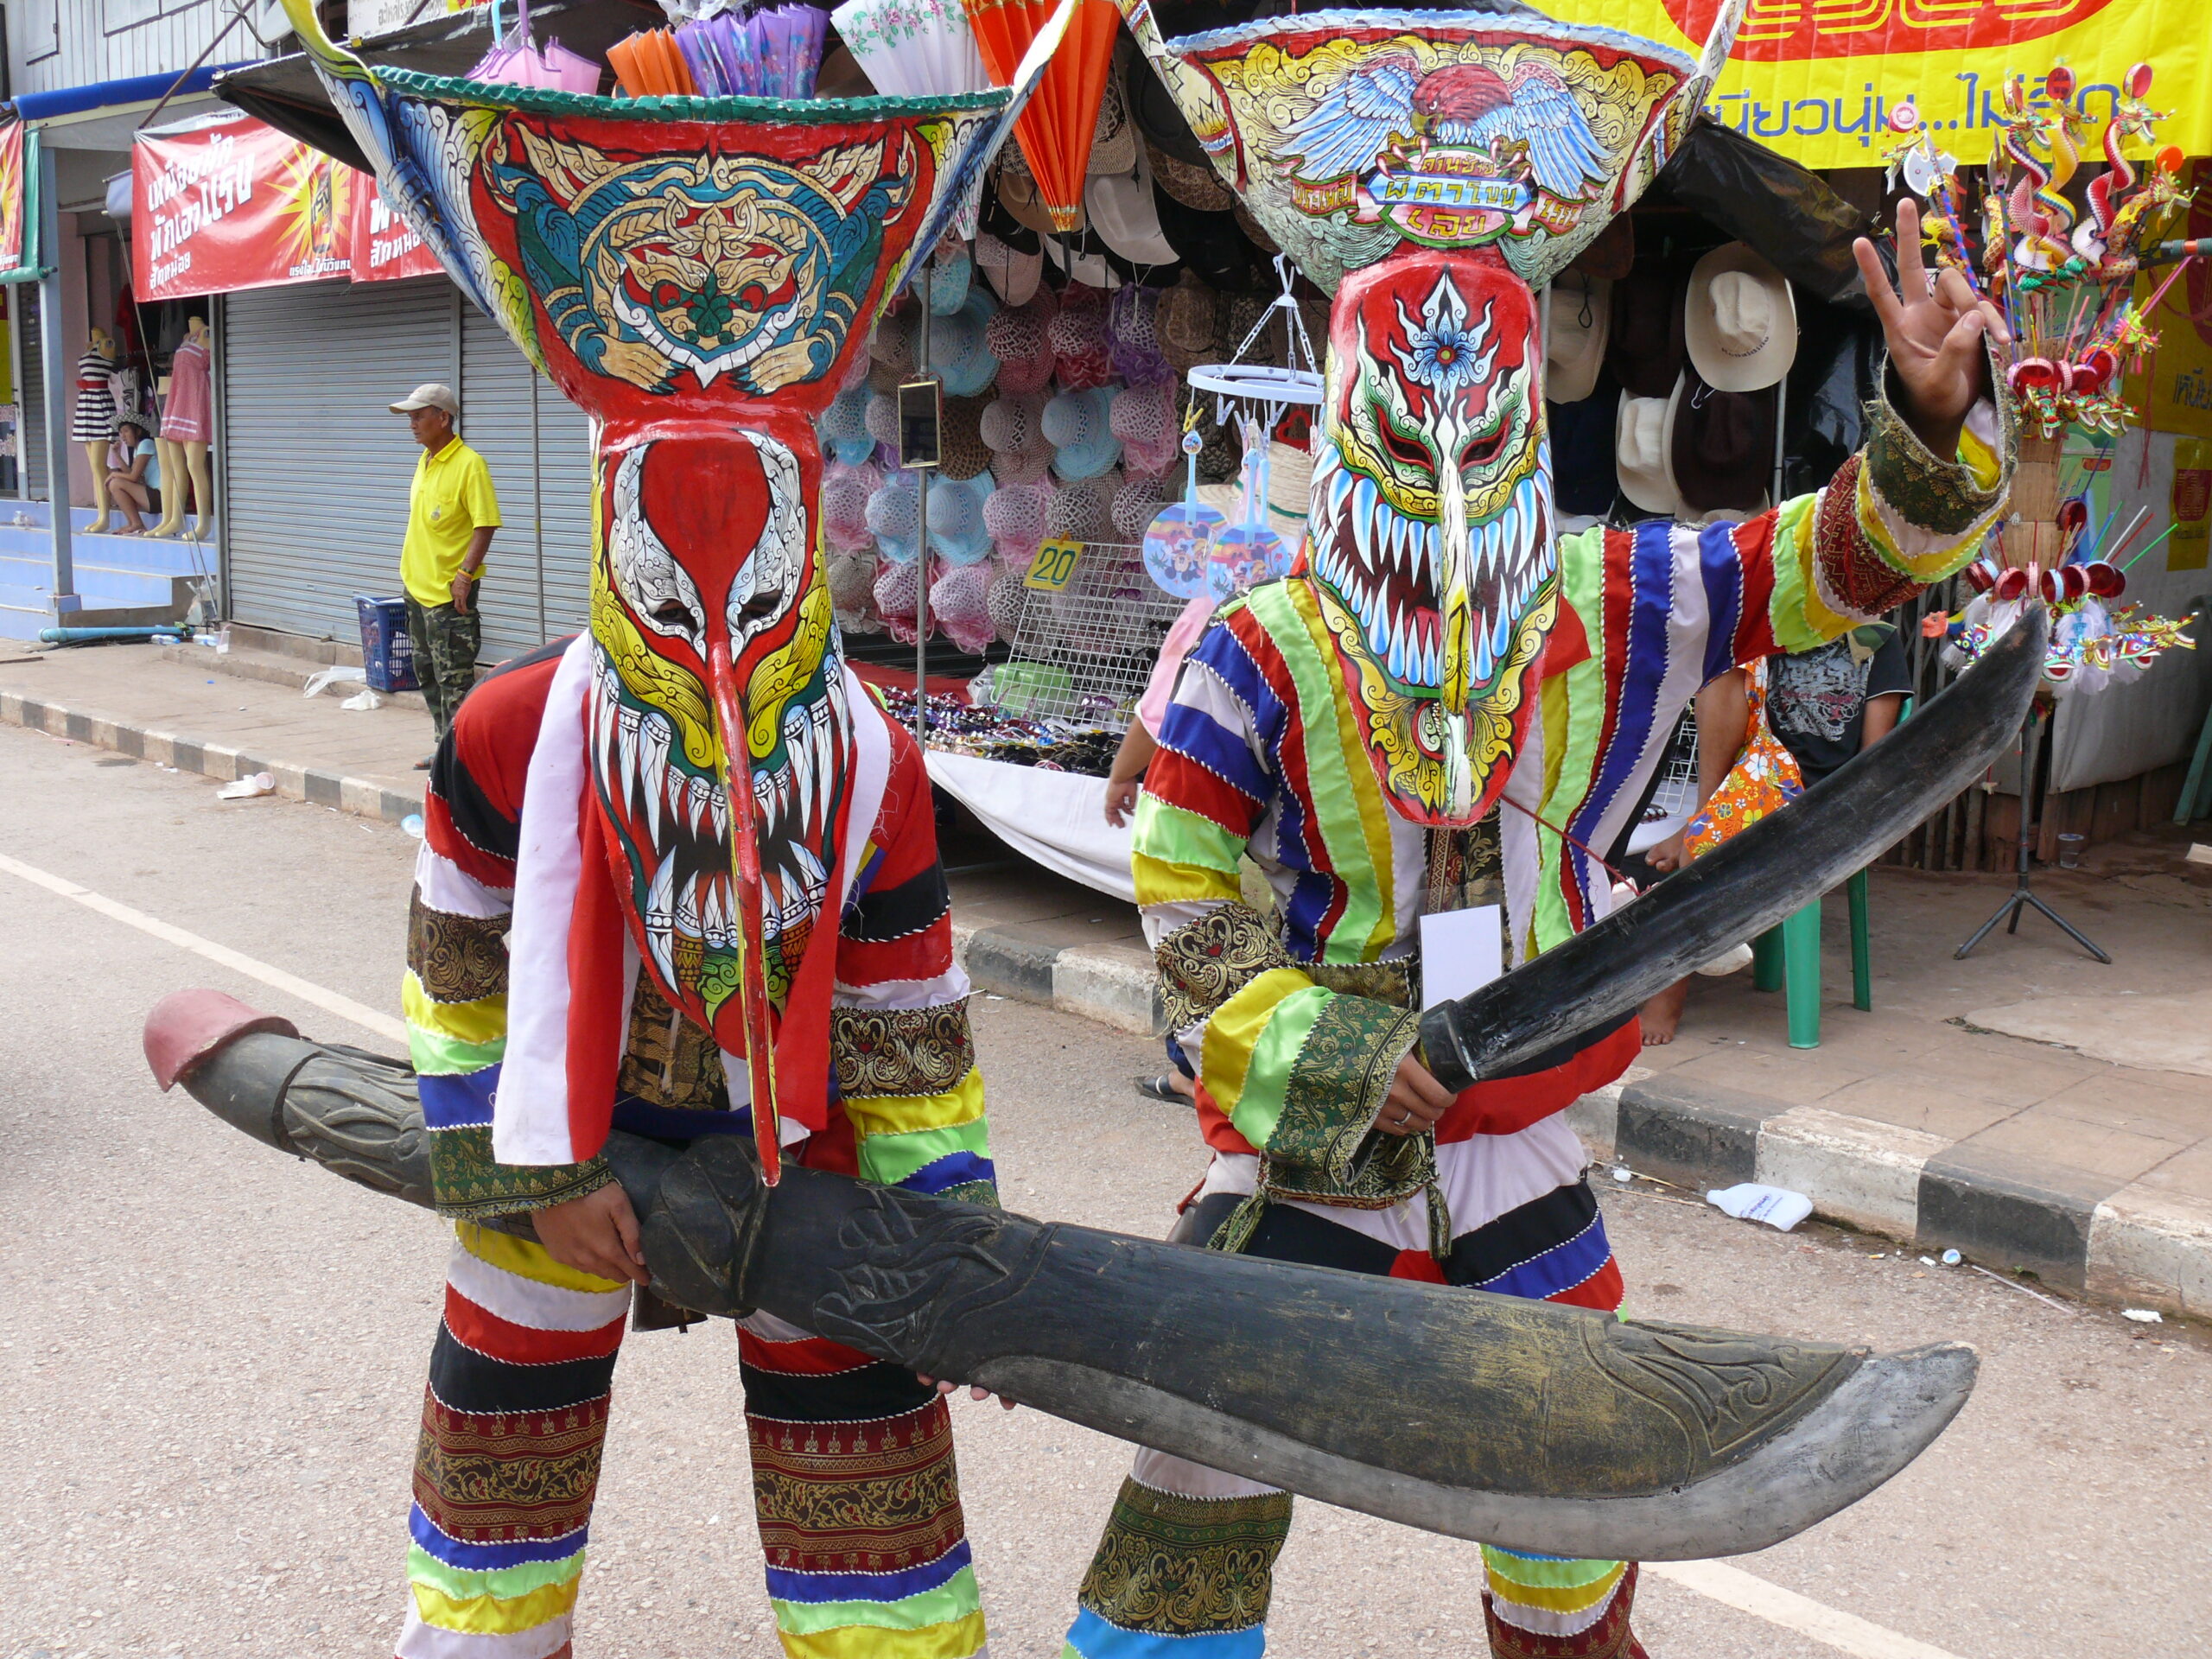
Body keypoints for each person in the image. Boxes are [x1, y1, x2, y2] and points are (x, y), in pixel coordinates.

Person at [1069, 22, 2014, 1647]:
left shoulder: (1621, 596)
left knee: (1575, 1554)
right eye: (1405, 428)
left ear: (1531, 424)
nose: (1446, 481)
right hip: (1309, 1155)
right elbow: (1184, 910)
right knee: (1186, 1525)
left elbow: (1830, 568)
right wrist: (1340, 1056)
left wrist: (1921, 427)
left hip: (1522, 1142)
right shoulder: (1253, 647)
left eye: (1486, 429)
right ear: (1344, 417)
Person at [1108, 589, 1224, 1106]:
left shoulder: (1209, 610)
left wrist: (1121, 773)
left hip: (1192, 807)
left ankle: (1193, 1070)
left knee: (1186, 933)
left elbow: (1159, 713)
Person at [391, 383, 499, 765]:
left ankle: (465, 761)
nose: (413, 423)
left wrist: (465, 575)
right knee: (427, 674)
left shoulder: (470, 464)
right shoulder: (426, 461)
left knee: (455, 681)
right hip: (417, 587)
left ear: (444, 418)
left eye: (419, 416)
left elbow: (484, 525)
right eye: (411, 416)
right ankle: (444, 750)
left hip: (448, 593)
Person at [104, 418, 161, 534]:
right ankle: (132, 523)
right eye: (120, 432)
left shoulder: (146, 444)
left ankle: (136, 524)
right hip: (153, 496)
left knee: (115, 483)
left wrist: (113, 474)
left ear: (138, 431)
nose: (123, 436)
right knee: (116, 483)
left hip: (160, 497)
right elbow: (132, 475)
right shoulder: (138, 449)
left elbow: (133, 477)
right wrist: (117, 455)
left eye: (126, 431)